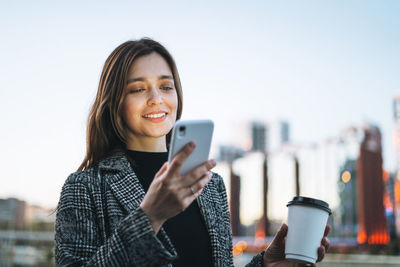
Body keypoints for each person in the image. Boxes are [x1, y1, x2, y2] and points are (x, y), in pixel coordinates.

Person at [55, 38, 330, 267]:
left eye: (166, 86)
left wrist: (268, 262)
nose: (156, 98)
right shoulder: (85, 187)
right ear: (115, 101)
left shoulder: (211, 186)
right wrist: (150, 217)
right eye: (138, 89)